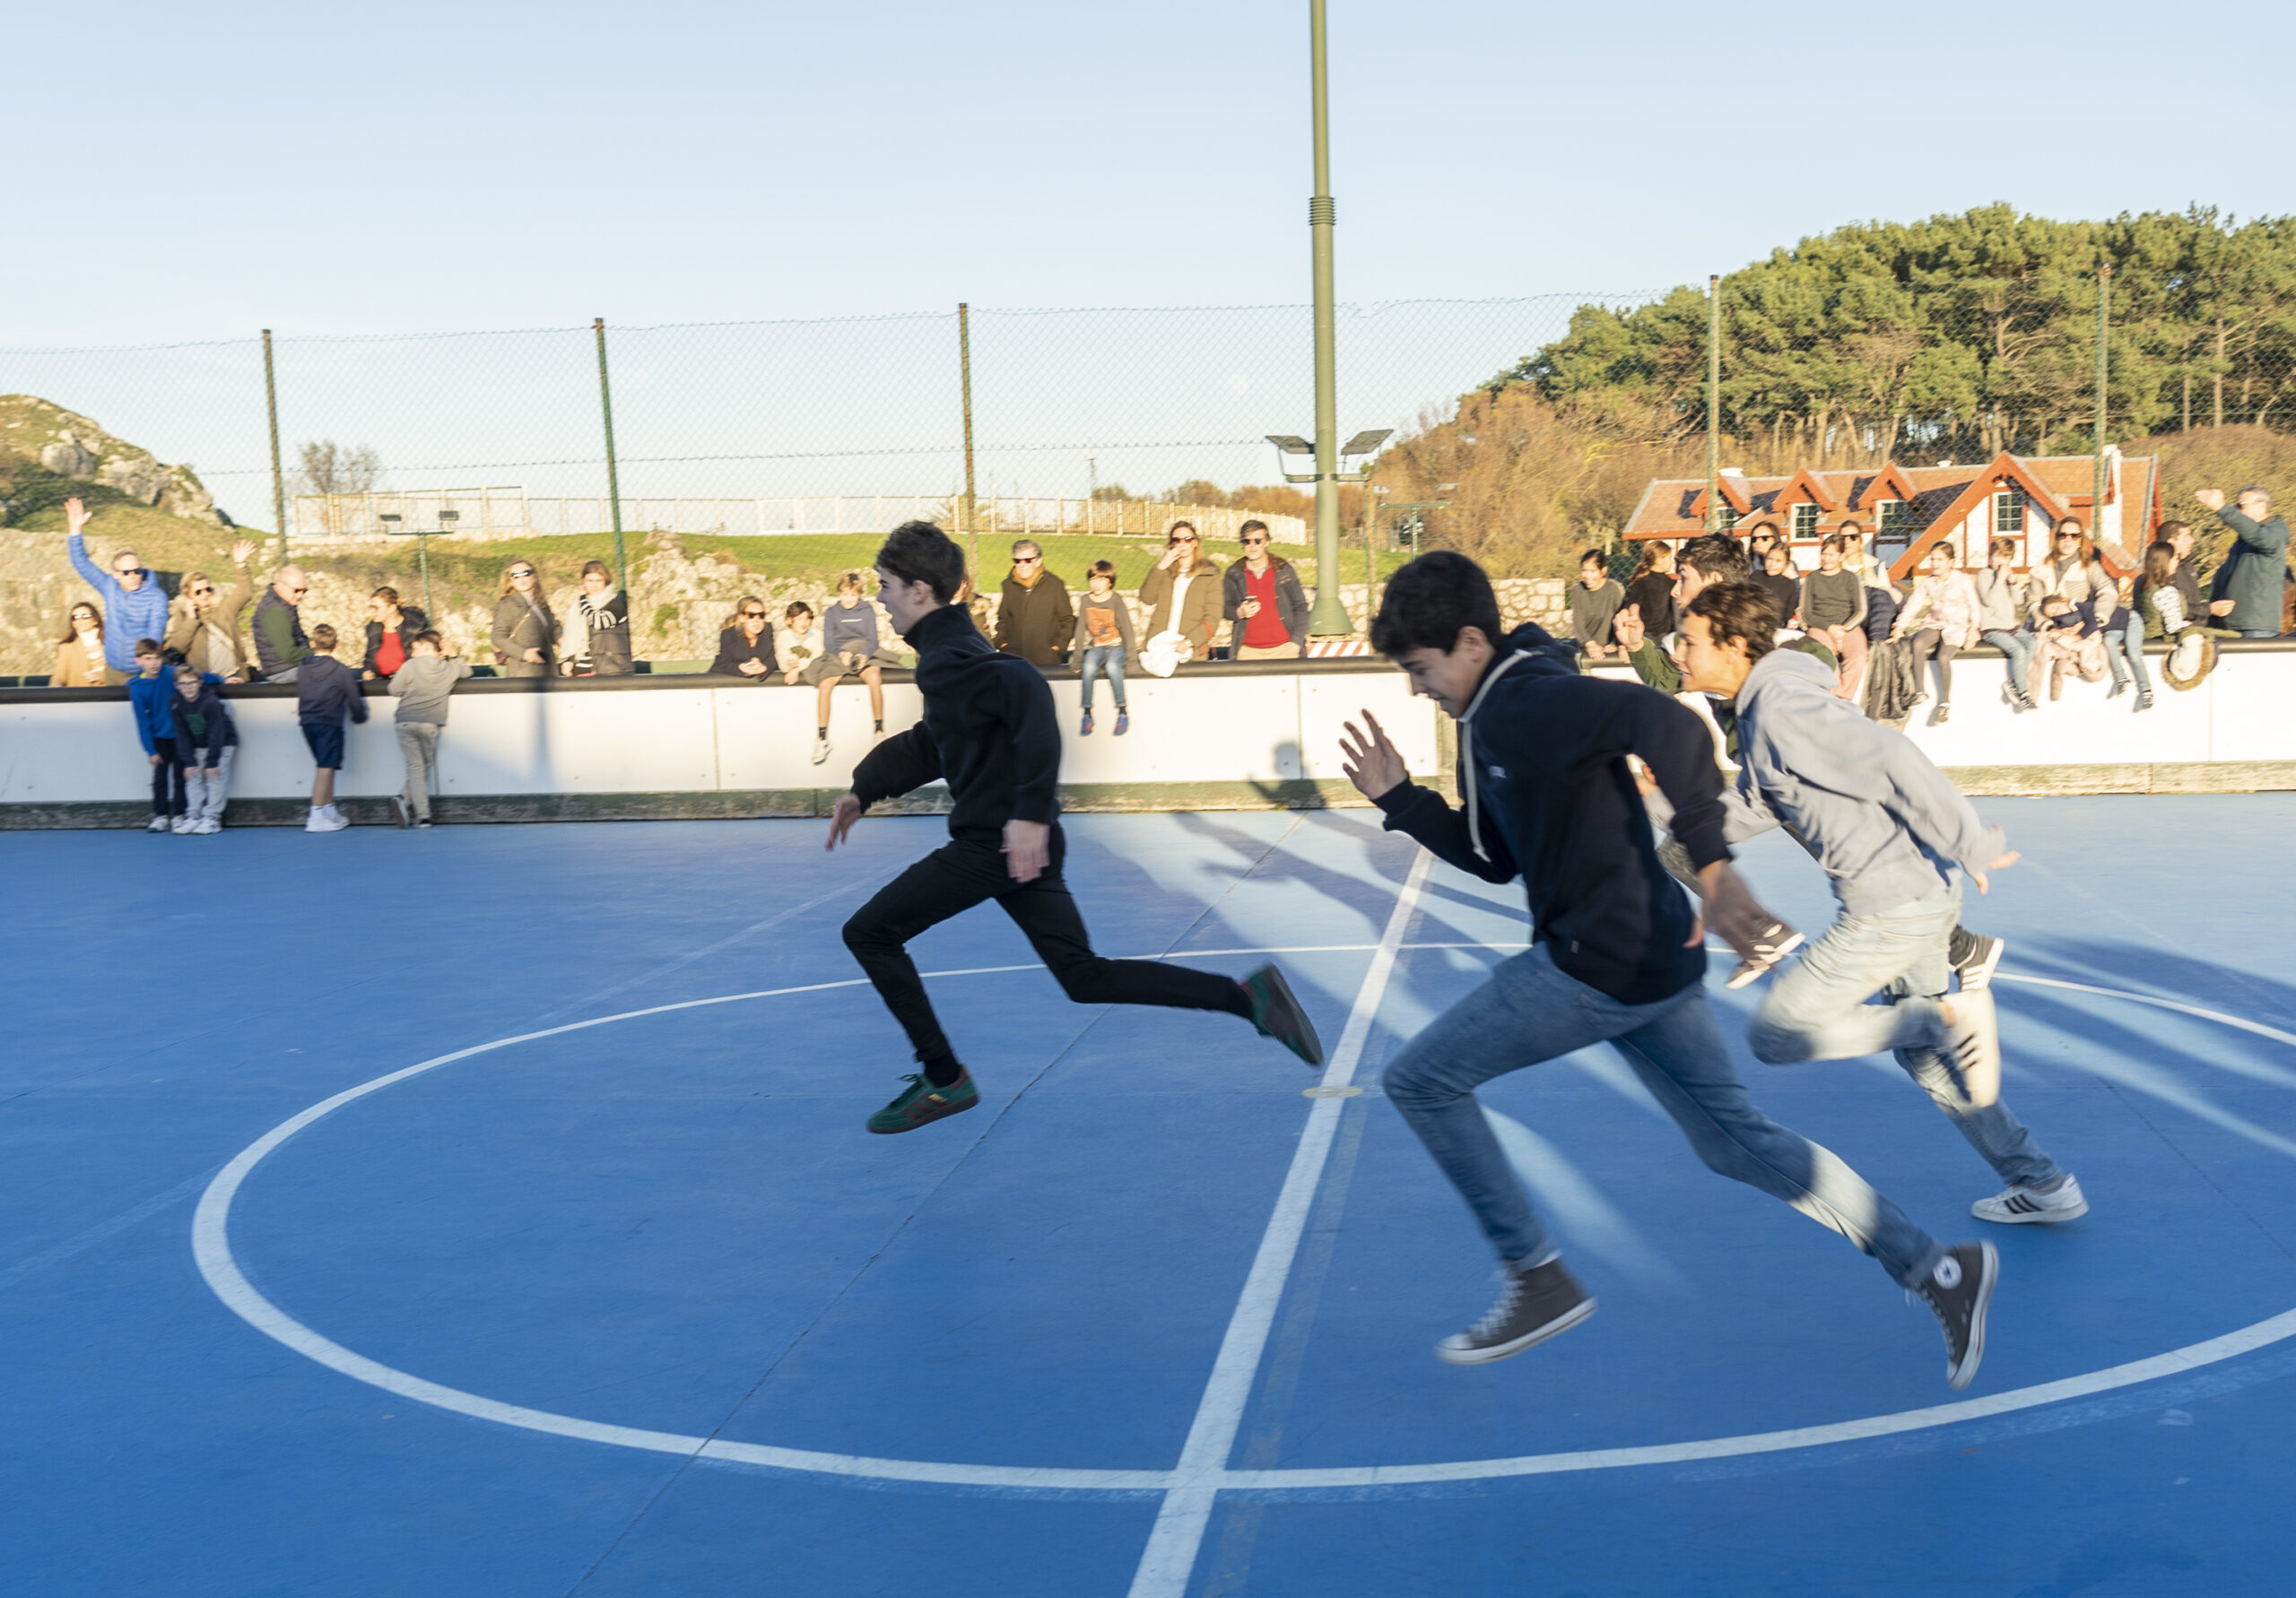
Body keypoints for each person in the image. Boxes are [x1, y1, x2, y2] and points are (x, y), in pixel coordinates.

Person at [1337, 551, 1994, 1387]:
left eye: (1421, 668)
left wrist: (1714, 869)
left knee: (1421, 1081)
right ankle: (1938, 1268)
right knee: (1736, 1143)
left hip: (1596, 966)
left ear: (1469, 642)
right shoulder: (1492, 712)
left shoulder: (1531, 699)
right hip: (1654, 957)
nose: (1415, 688)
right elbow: (1494, 856)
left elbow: (1674, 729)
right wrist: (1401, 799)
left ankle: (1538, 1279)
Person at [828, 522, 1324, 1134]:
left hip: (993, 845)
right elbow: (936, 741)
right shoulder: (950, 651)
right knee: (1084, 977)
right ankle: (1248, 999)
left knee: (869, 933)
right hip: (1017, 845)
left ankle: (944, 1077)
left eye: (886, 586)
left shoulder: (952, 655)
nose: (880, 599)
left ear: (920, 590)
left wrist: (1029, 814)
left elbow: (1025, 688)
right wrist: (865, 787)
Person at [1676, 582, 2085, 1229]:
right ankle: (2042, 1183)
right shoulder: (1766, 705)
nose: (1678, 653)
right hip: (1920, 897)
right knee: (1926, 1056)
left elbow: (1891, 754)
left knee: (1778, 1035)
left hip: (1891, 907)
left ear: (1732, 646)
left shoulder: (1781, 706)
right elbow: (1758, 802)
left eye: (1688, 641)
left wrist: (1970, 841)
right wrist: (1669, 820)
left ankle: (1943, 1017)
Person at [1615, 534, 2005, 992]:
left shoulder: (1764, 648)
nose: (1675, 588)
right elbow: (1671, 677)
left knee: (1868, 876)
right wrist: (1638, 646)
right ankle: (1957, 952)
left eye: (1683, 578)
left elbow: (1811, 657)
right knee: (1859, 871)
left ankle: (1780, 939)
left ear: (1713, 581)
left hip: (1805, 778)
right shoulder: (1708, 642)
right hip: (1771, 782)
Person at [64, 498, 170, 677]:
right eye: (126, 572)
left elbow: (154, 637)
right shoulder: (109, 586)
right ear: (116, 574)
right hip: (113, 670)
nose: (133, 576)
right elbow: (81, 563)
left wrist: (145, 672)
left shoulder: (156, 597)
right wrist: (75, 529)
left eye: (137, 571)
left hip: (142, 673)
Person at [803, 571, 891, 763]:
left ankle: (879, 732)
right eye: (844, 594)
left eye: (852, 595)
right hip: (839, 655)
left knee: (874, 678)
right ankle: (822, 739)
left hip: (862, 652)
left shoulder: (867, 610)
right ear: (839, 593)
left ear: (859, 594)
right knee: (825, 684)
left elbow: (873, 640)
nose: (848, 598)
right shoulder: (831, 612)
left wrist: (864, 655)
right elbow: (828, 643)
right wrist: (840, 653)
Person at [1892, 541, 1981, 726]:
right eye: (1932, 559)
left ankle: (1945, 702)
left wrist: (1974, 627)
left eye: (1940, 560)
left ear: (1951, 561)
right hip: (1937, 622)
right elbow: (1913, 605)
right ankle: (1920, 690)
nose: (1935, 563)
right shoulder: (1929, 582)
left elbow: (1974, 604)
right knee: (1918, 643)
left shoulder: (1962, 580)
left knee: (1943, 657)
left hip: (1958, 625)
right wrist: (1900, 626)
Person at [389, 630, 470, 829]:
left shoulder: (410, 665)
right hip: (430, 724)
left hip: (406, 721)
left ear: (427, 646)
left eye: (415, 648)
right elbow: (467, 671)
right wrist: (454, 654)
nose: (413, 653)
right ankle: (408, 803)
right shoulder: (449, 668)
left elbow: (394, 689)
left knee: (416, 767)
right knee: (423, 765)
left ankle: (418, 811)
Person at [296, 623, 368, 833]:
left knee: (327, 765)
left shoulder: (302, 668)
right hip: (329, 722)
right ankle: (316, 814)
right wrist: (359, 717)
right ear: (336, 645)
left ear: (313, 644)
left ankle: (328, 809)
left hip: (307, 721)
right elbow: (354, 698)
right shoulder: (340, 670)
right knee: (325, 768)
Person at [2194, 485, 2288, 638]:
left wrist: (2221, 508)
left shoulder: (2275, 535)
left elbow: (2257, 535)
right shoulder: (2242, 541)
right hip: (2230, 624)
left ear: (2261, 505)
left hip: (2255, 626)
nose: (2237, 511)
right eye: (2235, 507)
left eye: (2241, 506)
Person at [165, 540, 260, 682]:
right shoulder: (183, 616)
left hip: (234, 676)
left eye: (207, 589)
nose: (205, 594)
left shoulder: (223, 607)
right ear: (188, 593)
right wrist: (191, 620)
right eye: (198, 592)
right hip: (204, 682)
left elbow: (244, 593)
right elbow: (177, 648)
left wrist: (240, 564)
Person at [1137, 522, 1222, 669]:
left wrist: (1189, 642)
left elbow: (1212, 618)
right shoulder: (1165, 572)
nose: (1182, 544)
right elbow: (1147, 598)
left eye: (1187, 539)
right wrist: (1162, 565)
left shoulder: (1210, 574)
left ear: (1195, 543)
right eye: (1176, 540)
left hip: (1190, 650)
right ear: (1171, 544)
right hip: (1160, 647)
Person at [1222, 519, 1310, 659]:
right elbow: (1224, 608)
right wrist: (1239, 612)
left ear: (1267, 542)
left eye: (1257, 541)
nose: (1252, 546)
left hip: (1284, 650)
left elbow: (1301, 607)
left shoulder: (1283, 570)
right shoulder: (1234, 573)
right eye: (1247, 541)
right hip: (1248, 652)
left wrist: (1295, 643)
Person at [126, 638, 187, 834]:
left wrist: (222, 680)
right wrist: (151, 750)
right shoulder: (137, 689)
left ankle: (179, 815)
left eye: (157, 658)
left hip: (180, 736)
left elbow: (196, 676)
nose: (153, 663)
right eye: (148, 658)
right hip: (158, 739)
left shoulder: (171, 673)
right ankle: (161, 816)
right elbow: (142, 722)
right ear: (138, 661)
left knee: (181, 777)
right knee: (160, 779)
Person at [1796, 534, 1868, 700]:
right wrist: (1829, 628)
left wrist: (1843, 630)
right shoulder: (1812, 578)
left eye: (1831, 554)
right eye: (1823, 554)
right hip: (1819, 626)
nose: (1826, 558)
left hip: (1848, 626)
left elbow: (1861, 610)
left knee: (1858, 657)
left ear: (1841, 556)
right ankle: (1832, 697)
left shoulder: (1850, 578)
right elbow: (1806, 613)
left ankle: (1844, 697)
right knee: (1826, 659)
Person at [170, 664, 238, 835]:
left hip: (222, 743)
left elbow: (217, 732)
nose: (188, 687)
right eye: (183, 684)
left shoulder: (211, 702)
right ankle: (194, 816)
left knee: (214, 778)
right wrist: (189, 761)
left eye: (192, 682)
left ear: (200, 683)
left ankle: (212, 818)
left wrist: (212, 762)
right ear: (176, 685)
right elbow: (181, 733)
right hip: (197, 744)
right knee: (193, 777)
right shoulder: (175, 702)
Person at [1072, 559, 1135, 735]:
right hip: (1097, 646)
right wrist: (1077, 659)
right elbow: (1080, 630)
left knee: (1113, 667)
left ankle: (1122, 711)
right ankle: (1087, 713)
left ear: (1110, 582)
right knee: (1088, 667)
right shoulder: (1086, 600)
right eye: (1092, 579)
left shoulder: (1116, 600)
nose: (1096, 584)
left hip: (1116, 646)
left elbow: (1127, 629)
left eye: (1101, 579)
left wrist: (1132, 660)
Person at [1973, 536, 2037, 714]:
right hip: (1992, 628)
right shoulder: (1984, 575)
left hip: (2010, 625)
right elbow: (1989, 601)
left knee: (2032, 643)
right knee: (2018, 651)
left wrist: (2013, 583)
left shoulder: (2007, 576)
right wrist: (1999, 580)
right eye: (1997, 556)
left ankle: (2014, 683)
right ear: (1990, 557)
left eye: (2005, 557)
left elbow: (2018, 601)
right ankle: (2023, 693)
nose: (2001, 561)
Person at [993, 540, 1074, 666]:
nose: (1022, 565)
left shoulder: (1055, 585)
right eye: (1017, 561)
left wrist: (1058, 647)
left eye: (1027, 560)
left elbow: (1067, 619)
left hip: (1045, 659)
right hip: (1013, 658)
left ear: (1038, 561)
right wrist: (1002, 643)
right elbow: (1003, 618)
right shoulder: (1008, 585)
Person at [557, 560, 632, 677]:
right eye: (590, 581)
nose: (594, 585)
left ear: (606, 581)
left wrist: (583, 599)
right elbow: (571, 635)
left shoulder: (616, 604)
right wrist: (568, 660)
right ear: (583, 582)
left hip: (611, 671)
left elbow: (598, 621)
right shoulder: (576, 607)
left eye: (599, 580)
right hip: (580, 670)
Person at [491, 560, 555, 677]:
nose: (522, 579)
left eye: (526, 573)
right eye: (515, 576)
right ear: (510, 581)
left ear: (535, 576)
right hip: (523, 673)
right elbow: (498, 637)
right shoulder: (507, 604)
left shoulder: (541, 604)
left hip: (547, 672)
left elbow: (554, 629)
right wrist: (524, 654)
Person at [252, 565, 311, 682]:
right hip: (283, 671)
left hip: (290, 666)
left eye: (304, 591)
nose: (300, 595)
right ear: (279, 585)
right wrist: (316, 654)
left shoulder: (285, 603)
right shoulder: (275, 612)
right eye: (296, 590)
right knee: (332, 673)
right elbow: (288, 654)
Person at [1567, 547, 1625, 664]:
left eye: (1592, 571)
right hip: (1586, 648)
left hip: (1609, 647)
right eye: (1584, 570)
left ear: (1603, 571)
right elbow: (1578, 623)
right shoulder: (1577, 590)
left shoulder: (1614, 589)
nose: (1587, 576)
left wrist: (1615, 643)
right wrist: (1590, 643)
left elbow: (1621, 619)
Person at [361, 586, 430, 682]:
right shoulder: (373, 630)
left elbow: (430, 659)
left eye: (376, 608)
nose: (372, 611)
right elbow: (369, 660)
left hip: (411, 684)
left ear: (392, 608)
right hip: (380, 686)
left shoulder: (416, 628)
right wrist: (367, 672)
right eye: (371, 607)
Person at [711, 595, 780, 683]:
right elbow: (723, 663)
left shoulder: (768, 631)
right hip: (725, 684)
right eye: (751, 615)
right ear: (742, 617)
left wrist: (764, 668)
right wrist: (741, 668)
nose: (757, 620)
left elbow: (772, 660)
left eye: (761, 615)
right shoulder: (728, 635)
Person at [51, 602, 120, 687]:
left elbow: (123, 673)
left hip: (111, 693)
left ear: (95, 620)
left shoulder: (112, 643)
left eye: (85, 616)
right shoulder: (66, 647)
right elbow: (59, 678)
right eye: (75, 617)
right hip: (81, 694)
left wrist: (101, 676)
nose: (80, 620)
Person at [1623, 540, 1677, 641]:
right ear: (1658, 560)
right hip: (1651, 635)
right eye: (1669, 557)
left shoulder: (1670, 583)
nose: (1672, 561)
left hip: (1653, 635)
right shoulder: (1644, 583)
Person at [1752, 543, 1801, 627]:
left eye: (1778, 561)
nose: (1772, 564)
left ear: (1786, 564)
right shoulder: (1755, 577)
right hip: (1754, 625)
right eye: (1770, 559)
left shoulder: (1789, 585)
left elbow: (1789, 614)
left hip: (1777, 627)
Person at [774, 602, 821, 680]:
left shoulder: (818, 636)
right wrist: (790, 661)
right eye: (800, 619)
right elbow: (782, 662)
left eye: (807, 618)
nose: (804, 623)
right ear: (789, 620)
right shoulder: (783, 636)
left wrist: (796, 668)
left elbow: (817, 660)